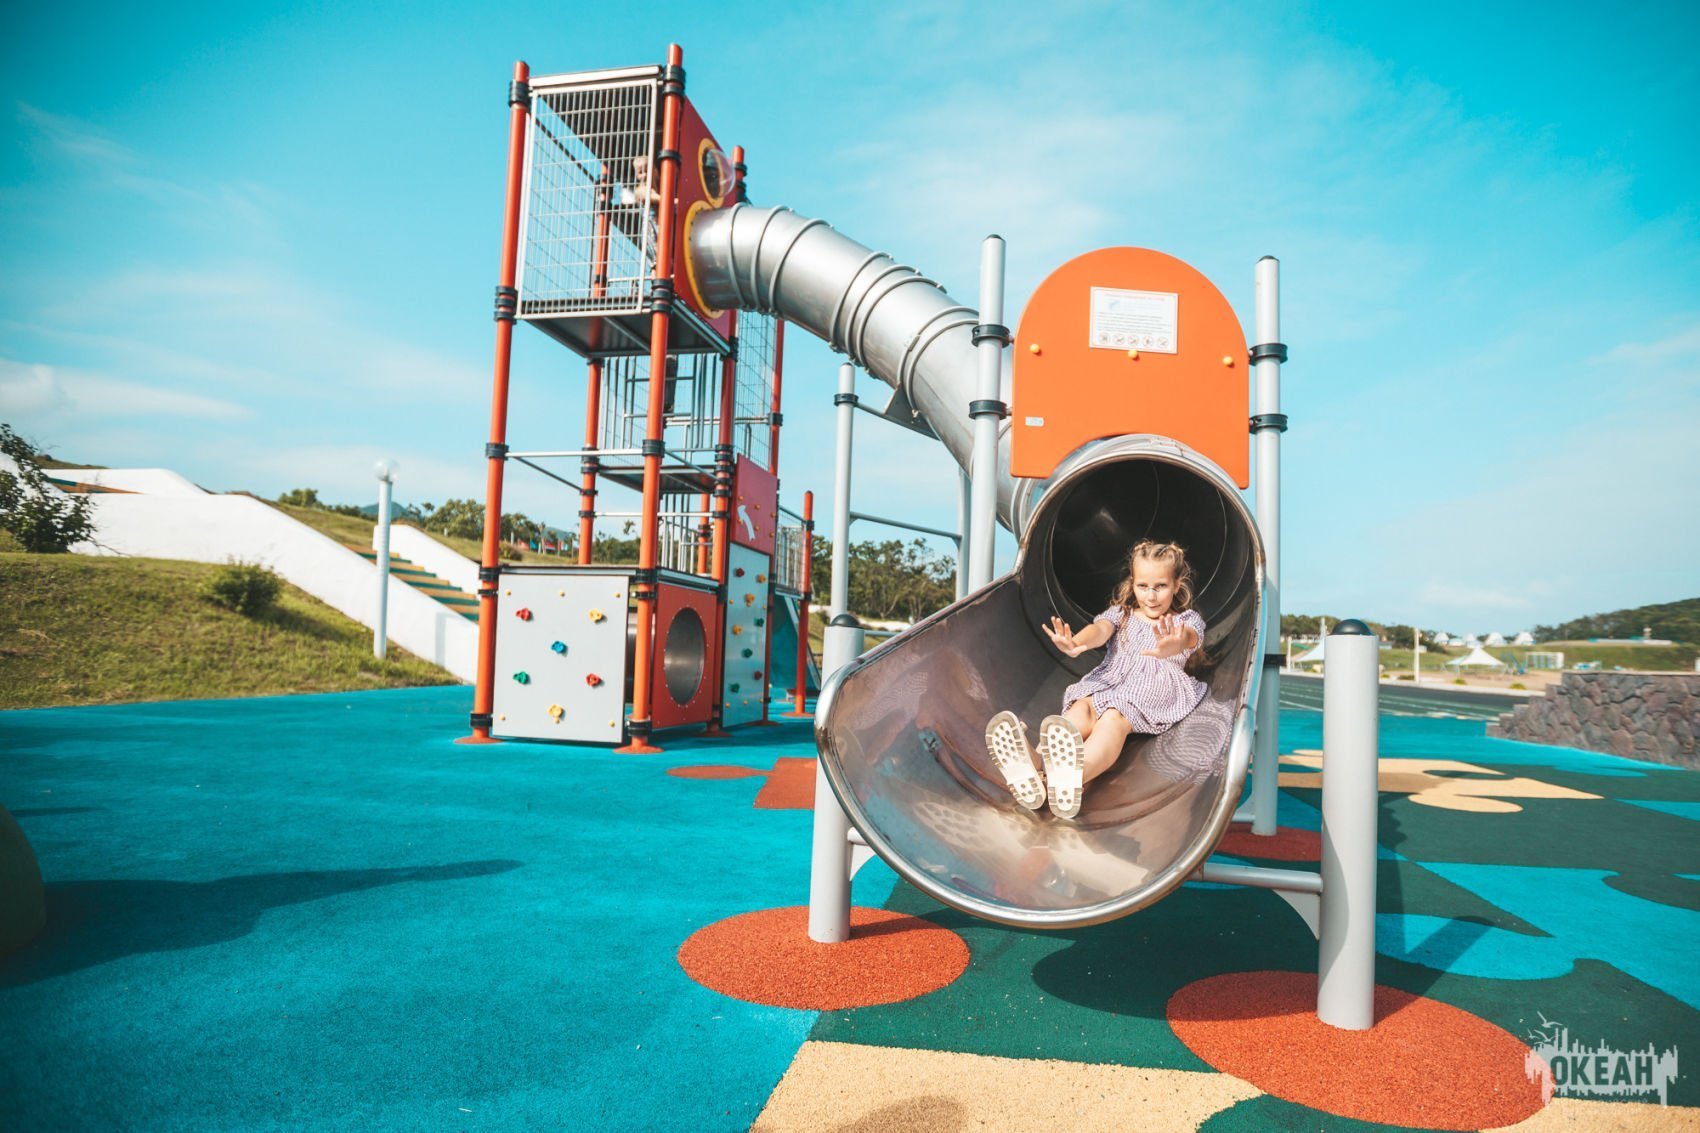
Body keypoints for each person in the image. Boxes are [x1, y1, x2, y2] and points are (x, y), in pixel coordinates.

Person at [984, 540, 1209, 819]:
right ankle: (1034, 764)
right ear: (1132, 583)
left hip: (1154, 686)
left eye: (1160, 586)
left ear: (1176, 585)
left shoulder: (1185, 621)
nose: (1151, 596)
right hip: (1111, 680)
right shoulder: (1122, 614)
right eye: (1143, 586)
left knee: (1113, 718)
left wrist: (1174, 644)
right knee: (1081, 709)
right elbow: (1100, 630)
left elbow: (1189, 637)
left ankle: (1075, 774)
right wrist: (1077, 642)